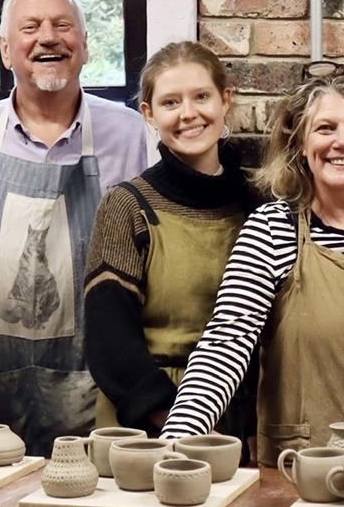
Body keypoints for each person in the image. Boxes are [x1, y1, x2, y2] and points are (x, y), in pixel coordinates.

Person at [160, 64, 344, 467]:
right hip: (301, 468)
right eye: (325, 128)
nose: (342, 142)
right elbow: (227, 340)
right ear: (301, 146)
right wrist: (180, 435)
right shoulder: (274, 227)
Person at [0, 0, 148, 455]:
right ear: (6, 50)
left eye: (63, 25)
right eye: (30, 28)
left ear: (85, 46)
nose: (48, 38)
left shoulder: (132, 135)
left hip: (97, 396)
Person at [84, 42, 258, 445]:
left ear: (225, 100)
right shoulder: (127, 205)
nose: (188, 114)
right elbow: (109, 334)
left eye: (201, 97)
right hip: (145, 420)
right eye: (170, 102)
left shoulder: (257, 206)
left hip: (238, 413)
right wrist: (171, 416)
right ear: (149, 114)